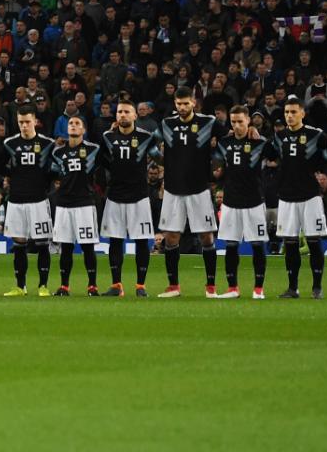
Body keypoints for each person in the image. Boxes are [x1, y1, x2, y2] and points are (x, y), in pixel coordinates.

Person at [156, 87, 220, 298]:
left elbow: (229, 135)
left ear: (194, 102)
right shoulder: (167, 124)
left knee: (206, 237)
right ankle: (173, 286)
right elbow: (152, 145)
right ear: (175, 104)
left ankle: (210, 286)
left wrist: (250, 131)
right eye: (178, 103)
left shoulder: (207, 122)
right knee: (171, 237)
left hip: (199, 189)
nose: (182, 107)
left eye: (186, 103)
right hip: (173, 188)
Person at [269, 95, 327, 298]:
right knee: (290, 244)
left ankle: (317, 287)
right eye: (287, 112)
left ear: (302, 113)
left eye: (294, 112)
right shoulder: (279, 137)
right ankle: (292, 287)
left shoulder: (315, 135)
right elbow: (265, 152)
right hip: (286, 197)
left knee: (314, 242)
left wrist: (324, 173)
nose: (289, 116)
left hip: (310, 196)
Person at [98, 97, 158, 296]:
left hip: (139, 196)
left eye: (126, 112)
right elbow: (103, 162)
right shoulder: (107, 136)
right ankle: (117, 285)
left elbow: (159, 158)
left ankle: (140, 286)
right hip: (115, 196)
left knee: (141, 241)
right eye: (119, 112)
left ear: (134, 115)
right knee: (115, 240)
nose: (122, 115)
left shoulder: (146, 137)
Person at [212, 106, 272, 299]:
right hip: (230, 201)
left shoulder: (260, 142)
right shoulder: (224, 142)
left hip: (254, 201)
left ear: (248, 121)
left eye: (240, 121)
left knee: (257, 245)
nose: (237, 126)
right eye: (233, 122)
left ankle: (258, 289)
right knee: (230, 245)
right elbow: (218, 167)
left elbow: (278, 158)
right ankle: (232, 288)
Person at [0, 104, 55, 296]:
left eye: (27, 122)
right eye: (20, 122)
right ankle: (20, 286)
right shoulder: (10, 143)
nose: (24, 126)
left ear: (35, 121)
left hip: (39, 201)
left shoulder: (48, 144)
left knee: (42, 244)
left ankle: (43, 286)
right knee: (19, 244)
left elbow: (53, 169)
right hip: (16, 201)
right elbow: (0, 165)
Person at [49, 116, 101, 296]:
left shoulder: (93, 149)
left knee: (88, 246)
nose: (73, 125)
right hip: (64, 204)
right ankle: (64, 286)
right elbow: (54, 174)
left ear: (84, 130)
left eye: (77, 123)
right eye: (71, 123)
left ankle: (92, 286)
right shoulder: (57, 153)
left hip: (85, 203)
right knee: (66, 247)